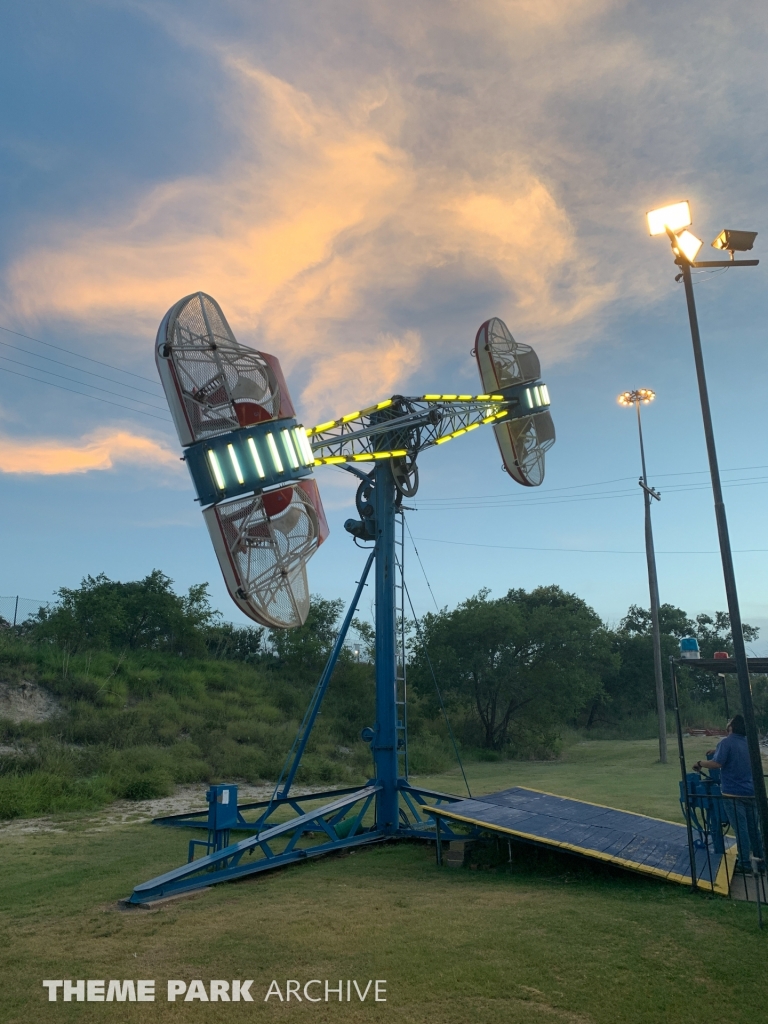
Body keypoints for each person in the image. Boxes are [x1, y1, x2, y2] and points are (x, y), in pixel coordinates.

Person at [694, 715, 763, 873]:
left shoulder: (726, 742)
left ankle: (744, 863)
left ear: (732, 726)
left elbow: (717, 763)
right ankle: (761, 861)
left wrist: (700, 763)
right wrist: (717, 750)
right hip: (751, 793)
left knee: (741, 830)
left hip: (733, 794)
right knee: (754, 829)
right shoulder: (749, 743)